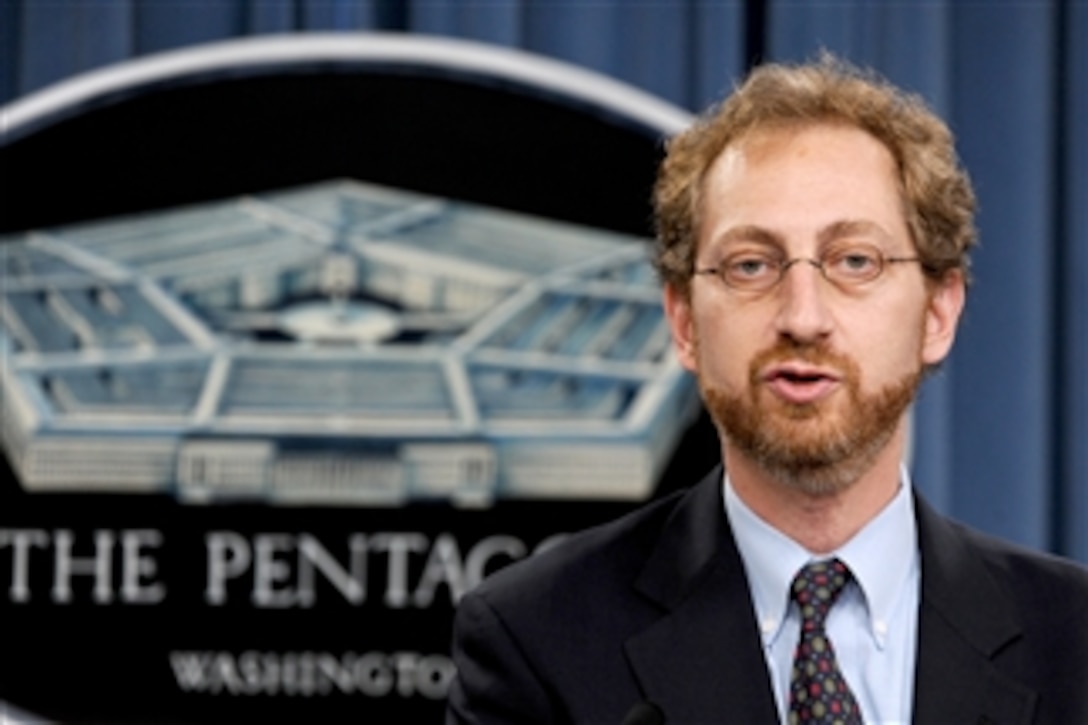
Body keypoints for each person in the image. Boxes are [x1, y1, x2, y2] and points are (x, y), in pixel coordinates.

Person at [446, 56, 1088, 725]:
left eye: (854, 261)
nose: (802, 316)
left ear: (937, 312)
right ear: (685, 320)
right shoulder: (538, 639)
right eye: (752, 265)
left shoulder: (1073, 640)